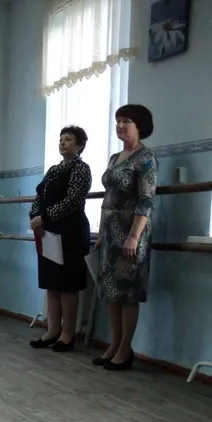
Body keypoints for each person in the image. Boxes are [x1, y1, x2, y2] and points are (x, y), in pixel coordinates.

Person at [92, 104, 157, 371]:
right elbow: (108, 199)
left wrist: (133, 237)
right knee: (112, 291)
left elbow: (146, 200)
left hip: (132, 234)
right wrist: (100, 233)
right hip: (110, 234)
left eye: (126, 121)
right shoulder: (114, 158)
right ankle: (114, 344)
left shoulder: (146, 158)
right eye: (118, 120)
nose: (119, 125)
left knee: (128, 293)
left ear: (139, 126)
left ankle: (125, 349)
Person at [29, 126, 92, 352]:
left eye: (69, 139)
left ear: (79, 145)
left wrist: (44, 218)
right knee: (52, 284)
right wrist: (34, 217)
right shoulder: (54, 170)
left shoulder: (81, 169)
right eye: (61, 139)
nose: (63, 143)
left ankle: (67, 334)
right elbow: (40, 196)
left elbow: (73, 200)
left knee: (67, 285)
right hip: (48, 232)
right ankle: (52, 330)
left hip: (71, 232)